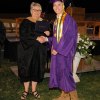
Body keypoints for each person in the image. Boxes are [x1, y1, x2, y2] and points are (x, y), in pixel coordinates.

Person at [17, 2, 50, 100]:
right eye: (35, 10)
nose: (37, 12)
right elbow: (23, 35)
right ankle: (26, 90)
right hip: (27, 51)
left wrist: (48, 32)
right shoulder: (26, 22)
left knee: (37, 69)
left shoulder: (43, 22)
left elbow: (49, 35)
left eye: (39, 10)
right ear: (31, 11)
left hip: (39, 51)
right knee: (26, 69)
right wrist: (36, 38)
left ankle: (34, 90)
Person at [49, 0, 78, 100]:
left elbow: (70, 37)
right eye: (54, 5)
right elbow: (56, 37)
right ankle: (64, 96)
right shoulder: (57, 20)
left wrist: (58, 49)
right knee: (61, 73)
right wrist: (52, 44)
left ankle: (74, 97)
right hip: (58, 52)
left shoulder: (68, 19)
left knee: (66, 74)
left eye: (59, 5)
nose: (56, 7)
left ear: (63, 6)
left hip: (64, 52)